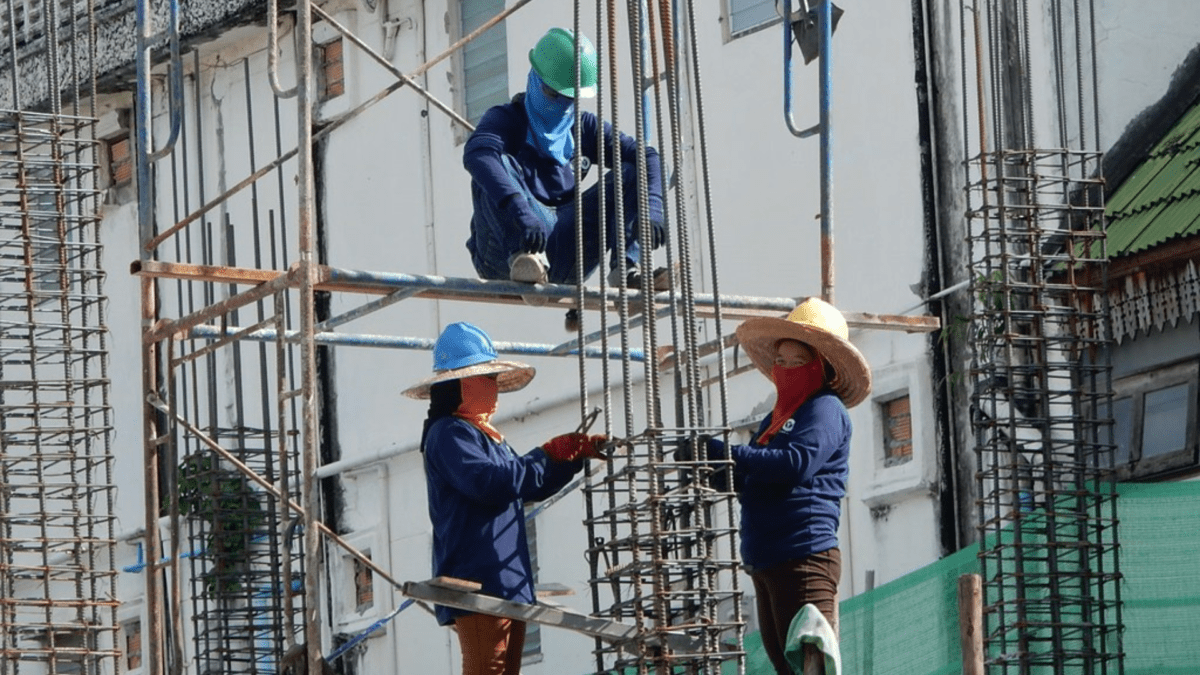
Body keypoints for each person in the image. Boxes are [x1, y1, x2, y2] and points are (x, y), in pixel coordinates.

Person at [402, 321, 607, 675]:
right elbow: (490, 483)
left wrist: (567, 460)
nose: (493, 390)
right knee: (488, 668)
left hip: (505, 578)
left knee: (504, 670)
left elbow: (526, 485)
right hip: (476, 575)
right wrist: (545, 453)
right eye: (487, 381)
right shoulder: (448, 433)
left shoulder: (488, 436)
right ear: (462, 385)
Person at [697, 297, 870, 674]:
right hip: (768, 560)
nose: (786, 369)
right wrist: (711, 468)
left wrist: (730, 454)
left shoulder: (824, 409)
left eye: (798, 362)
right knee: (787, 667)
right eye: (781, 361)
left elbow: (795, 465)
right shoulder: (776, 419)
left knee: (811, 662)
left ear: (821, 367)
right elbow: (757, 480)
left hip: (802, 557)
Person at [463, 27, 670, 330]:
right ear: (534, 78)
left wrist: (652, 208)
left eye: (569, 98)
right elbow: (477, 154)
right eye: (552, 94)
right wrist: (519, 210)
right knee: (492, 165)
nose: (560, 105)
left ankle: (626, 271)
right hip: (506, 251)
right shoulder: (507, 120)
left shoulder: (582, 128)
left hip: (564, 251)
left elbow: (647, 157)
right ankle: (525, 260)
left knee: (631, 169)